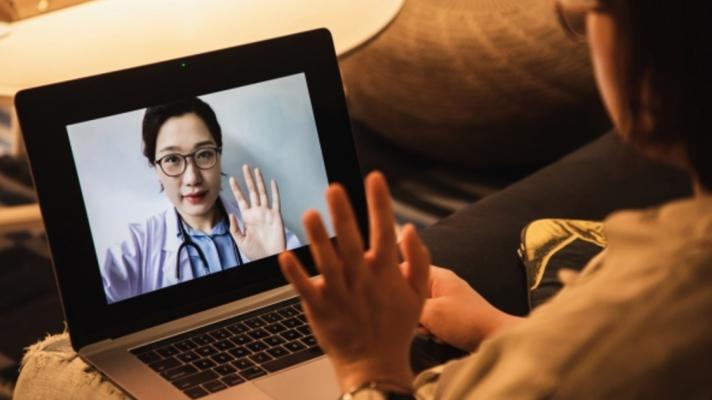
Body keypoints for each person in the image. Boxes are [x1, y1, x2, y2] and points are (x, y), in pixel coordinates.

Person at [278, 0, 712, 398]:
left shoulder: (642, 313)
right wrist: (502, 331)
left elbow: (593, 359)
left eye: (579, 20)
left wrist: (366, 367)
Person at [101, 98, 300, 303]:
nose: (192, 178)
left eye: (204, 154)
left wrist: (274, 264)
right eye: (172, 159)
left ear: (219, 155)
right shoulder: (134, 251)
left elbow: (314, 310)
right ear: (155, 168)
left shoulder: (267, 230)